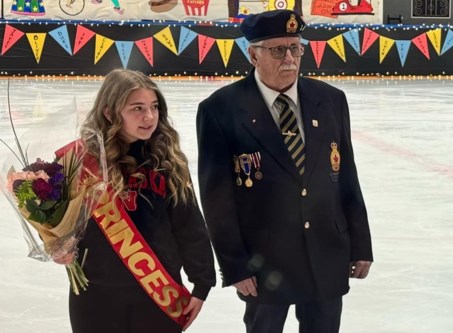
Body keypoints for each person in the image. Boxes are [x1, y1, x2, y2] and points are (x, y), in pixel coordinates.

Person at [196, 9, 373, 333]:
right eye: (278, 50)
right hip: (264, 261)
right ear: (253, 55)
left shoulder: (331, 100)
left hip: (326, 252)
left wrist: (361, 243)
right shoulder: (220, 109)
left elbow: (346, 178)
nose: (290, 58)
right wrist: (234, 265)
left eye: (296, 48)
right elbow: (216, 197)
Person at [61, 69, 216, 332]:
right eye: (137, 108)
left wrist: (201, 284)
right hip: (95, 295)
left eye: (154, 107)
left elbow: (189, 225)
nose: (149, 117)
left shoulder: (168, 160)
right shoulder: (80, 161)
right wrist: (60, 245)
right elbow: (60, 220)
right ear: (110, 113)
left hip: (157, 292)